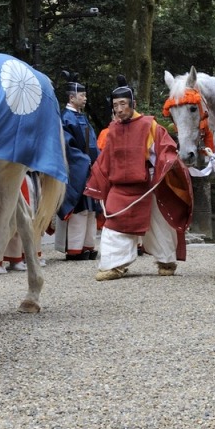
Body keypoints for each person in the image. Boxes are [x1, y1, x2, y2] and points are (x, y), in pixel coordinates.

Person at [84, 77, 193, 281]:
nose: (118, 109)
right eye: (115, 105)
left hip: (148, 184)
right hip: (120, 185)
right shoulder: (112, 129)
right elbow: (106, 158)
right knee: (114, 223)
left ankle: (166, 260)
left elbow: (165, 149)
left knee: (158, 224)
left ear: (132, 104)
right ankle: (114, 265)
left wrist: (166, 163)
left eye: (123, 104)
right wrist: (97, 178)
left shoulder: (149, 125)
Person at [58, 77, 101, 261]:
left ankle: (88, 246)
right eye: (82, 95)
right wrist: (84, 161)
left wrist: (97, 160)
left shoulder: (81, 117)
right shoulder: (65, 118)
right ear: (71, 98)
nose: (85, 98)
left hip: (89, 168)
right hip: (77, 168)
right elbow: (67, 146)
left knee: (91, 209)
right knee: (79, 209)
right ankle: (74, 249)